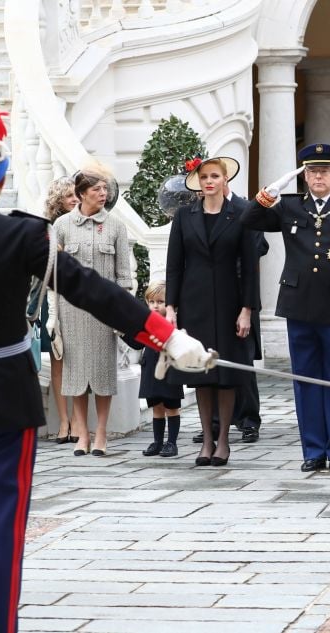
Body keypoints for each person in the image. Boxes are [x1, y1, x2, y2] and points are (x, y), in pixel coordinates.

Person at [0, 83, 211, 633]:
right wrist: (164, 335)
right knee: (3, 526)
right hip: (7, 395)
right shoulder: (24, 235)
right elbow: (94, 291)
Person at [242, 143, 330, 473]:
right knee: (305, 381)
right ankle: (313, 449)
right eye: (312, 171)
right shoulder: (290, 207)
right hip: (299, 306)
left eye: (324, 170)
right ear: (304, 175)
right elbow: (249, 220)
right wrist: (268, 193)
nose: (318, 176)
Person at [167, 156, 258, 467]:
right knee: (202, 375)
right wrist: (170, 307)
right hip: (195, 303)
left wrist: (247, 309)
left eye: (214, 176)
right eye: (204, 176)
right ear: (198, 182)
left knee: (227, 374)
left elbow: (250, 268)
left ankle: (223, 441)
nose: (209, 181)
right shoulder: (183, 216)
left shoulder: (241, 213)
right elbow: (174, 265)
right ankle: (206, 439)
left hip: (231, 301)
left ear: (224, 180)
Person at [55, 168, 133, 457]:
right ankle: (81, 433)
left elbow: (124, 275)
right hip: (71, 310)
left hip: (104, 310)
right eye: (97, 189)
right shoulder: (62, 225)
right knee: (76, 375)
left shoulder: (115, 226)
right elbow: (52, 273)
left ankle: (100, 433)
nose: (103, 194)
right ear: (81, 193)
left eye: (105, 189)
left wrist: (123, 313)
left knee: (102, 373)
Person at [121, 281, 184, 457]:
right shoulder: (147, 322)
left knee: (171, 406)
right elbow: (136, 343)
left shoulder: (173, 322)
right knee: (156, 407)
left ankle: (171, 443)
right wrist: (121, 332)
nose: (155, 306)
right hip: (150, 368)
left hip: (169, 368)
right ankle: (157, 442)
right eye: (152, 302)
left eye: (160, 302)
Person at [42, 176, 78, 443]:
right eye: (69, 196)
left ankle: (77, 421)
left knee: (78, 362)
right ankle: (64, 422)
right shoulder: (49, 228)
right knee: (58, 361)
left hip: (79, 298)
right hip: (55, 299)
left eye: (77, 194)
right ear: (58, 201)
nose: (75, 199)